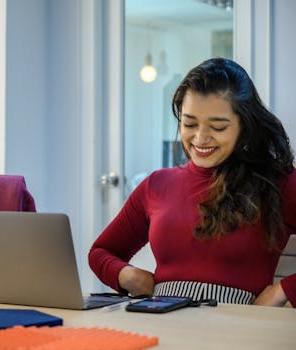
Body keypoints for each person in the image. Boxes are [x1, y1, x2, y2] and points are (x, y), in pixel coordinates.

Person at [88, 58, 296, 307]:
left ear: (245, 126)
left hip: (239, 330)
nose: (200, 138)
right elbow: (100, 252)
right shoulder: (157, 185)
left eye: (218, 127)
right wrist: (127, 275)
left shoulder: (279, 183)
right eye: (189, 124)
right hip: (161, 320)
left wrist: (282, 290)